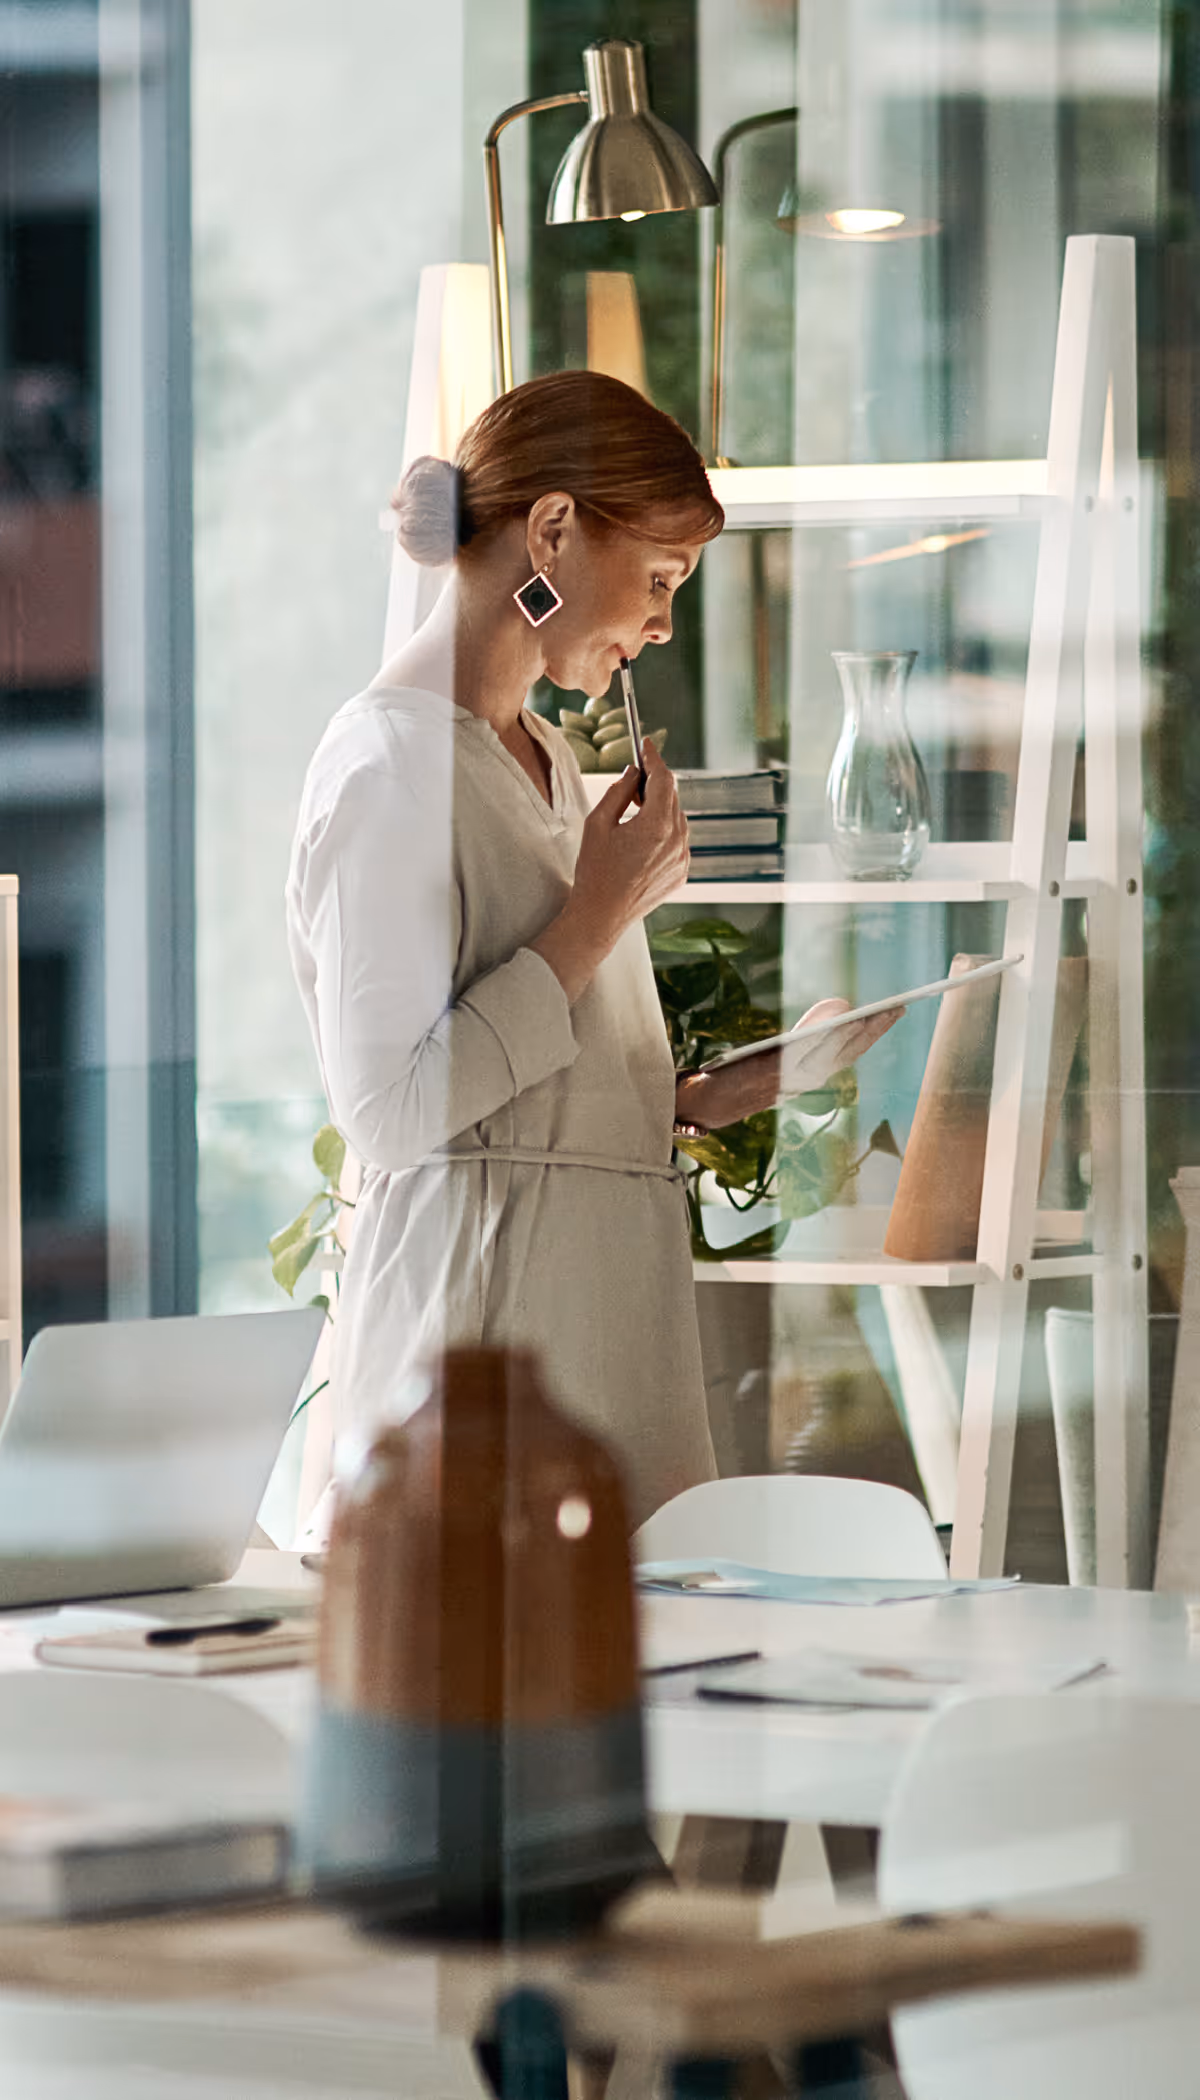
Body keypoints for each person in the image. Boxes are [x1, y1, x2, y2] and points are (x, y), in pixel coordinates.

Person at [286, 371, 896, 1531]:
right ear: (553, 530)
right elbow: (395, 1115)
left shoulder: (549, 764)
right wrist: (596, 920)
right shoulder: (386, 769)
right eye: (661, 579)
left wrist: (702, 1096)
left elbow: (522, 1080)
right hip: (487, 1346)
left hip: (601, 1320)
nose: (665, 623)